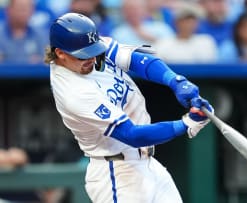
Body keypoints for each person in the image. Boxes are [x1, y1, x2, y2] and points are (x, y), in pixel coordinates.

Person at [44, 12, 213, 203]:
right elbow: (132, 135)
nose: (92, 58)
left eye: (94, 50)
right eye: (84, 55)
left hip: (147, 164)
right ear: (60, 53)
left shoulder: (86, 46)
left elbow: (136, 59)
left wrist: (175, 81)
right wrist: (186, 123)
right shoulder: (73, 91)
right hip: (117, 173)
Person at [154, 1, 218, 63]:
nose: (190, 24)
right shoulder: (163, 43)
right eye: (186, 20)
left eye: (193, 21)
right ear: (176, 22)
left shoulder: (206, 41)